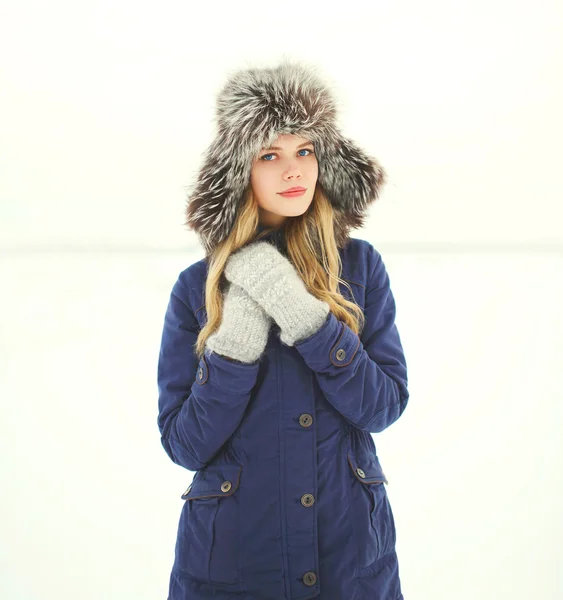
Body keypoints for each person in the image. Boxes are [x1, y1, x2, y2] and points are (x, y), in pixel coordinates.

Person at [157, 59, 409, 600]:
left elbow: (383, 406)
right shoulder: (196, 287)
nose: (292, 171)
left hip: (347, 559)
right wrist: (236, 344)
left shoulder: (359, 269)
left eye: (305, 151)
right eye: (270, 155)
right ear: (239, 169)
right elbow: (184, 444)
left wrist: (310, 321)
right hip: (235, 566)